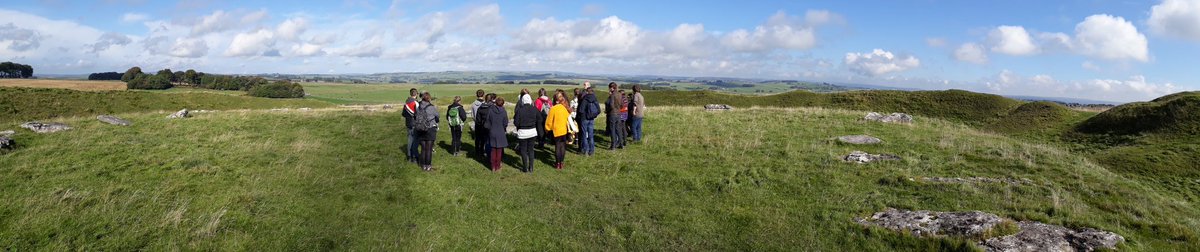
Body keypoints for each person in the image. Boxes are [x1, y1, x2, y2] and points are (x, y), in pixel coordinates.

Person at [545, 92, 571, 170]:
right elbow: (568, 119)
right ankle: (562, 163)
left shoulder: (553, 109)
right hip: (564, 130)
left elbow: (549, 121)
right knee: (563, 147)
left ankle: (557, 163)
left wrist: (547, 129)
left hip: (556, 131)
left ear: (555, 100)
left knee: (557, 147)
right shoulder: (564, 108)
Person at [513, 94, 539, 173]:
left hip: (523, 133)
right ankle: (531, 167)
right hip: (532, 132)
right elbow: (539, 118)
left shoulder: (519, 110)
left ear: (523, 101)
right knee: (531, 150)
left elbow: (516, 122)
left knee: (523, 150)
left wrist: (521, 125)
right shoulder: (534, 109)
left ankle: (525, 168)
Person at [414, 92, 439, 171]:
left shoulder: (419, 107)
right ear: (429, 98)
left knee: (423, 148)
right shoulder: (432, 107)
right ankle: (428, 166)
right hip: (430, 129)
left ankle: (423, 165)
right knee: (429, 149)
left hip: (420, 129)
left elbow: (415, 116)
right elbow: (437, 116)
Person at [487, 97, 509, 172]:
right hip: (500, 131)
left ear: (495, 102)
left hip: (492, 131)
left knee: (493, 150)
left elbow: (488, 121)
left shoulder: (490, 110)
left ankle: (493, 166)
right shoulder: (504, 111)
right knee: (499, 150)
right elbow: (505, 123)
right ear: (503, 103)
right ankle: (498, 166)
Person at [578, 86, 600, 155]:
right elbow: (598, 110)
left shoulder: (585, 99)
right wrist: (593, 115)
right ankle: (592, 150)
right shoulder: (595, 99)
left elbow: (581, 110)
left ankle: (586, 150)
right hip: (591, 119)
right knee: (591, 135)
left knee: (584, 135)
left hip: (584, 118)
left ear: (587, 92)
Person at [402, 88, 420, 163]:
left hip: (408, 123)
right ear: (416, 94)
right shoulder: (416, 103)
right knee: (415, 141)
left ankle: (409, 156)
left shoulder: (406, 103)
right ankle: (414, 157)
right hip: (415, 124)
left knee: (409, 140)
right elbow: (418, 115)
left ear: (410, 94)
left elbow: (403, 114)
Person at [605, 82, 625, 150]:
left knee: (612, 130)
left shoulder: (612, 95)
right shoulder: (620, 94)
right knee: (618, 129)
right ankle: (621, 144)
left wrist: (608, 110)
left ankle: (613, 146)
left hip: (612, 114)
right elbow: (622, 105)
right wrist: (618, 108)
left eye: (609, 88)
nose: (609, 89)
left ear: (611, 88)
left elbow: (611, 105)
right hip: (619, 114)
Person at [474, 92, 492, 159]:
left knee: (481, 140)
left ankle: (480, 153)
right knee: (488, 141)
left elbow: (478, 120)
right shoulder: (492, 108)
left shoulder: (480, 108)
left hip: (482, 126)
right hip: (490, 127)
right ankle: (488, 154)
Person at [470, 89, 486, 156]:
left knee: (477, 137)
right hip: (484, 123)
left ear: (476, 95)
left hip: (477, 122)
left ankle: (477, 151)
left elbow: (472, 115)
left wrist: (475, 120)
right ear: (483, 94)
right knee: (483, 138)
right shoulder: (485, 104)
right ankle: (482, 151)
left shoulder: (473, 104)